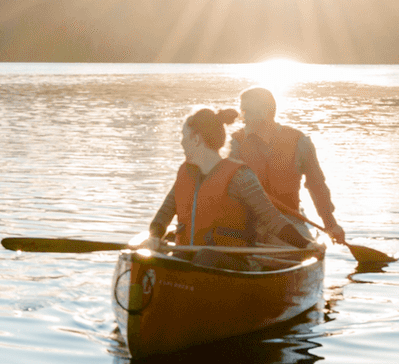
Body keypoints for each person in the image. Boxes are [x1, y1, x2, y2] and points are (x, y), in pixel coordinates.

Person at [144, 107, 310, 258]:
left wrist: (307, 244)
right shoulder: (186, 174)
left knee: (205, 257)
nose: (181, 142)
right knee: (175, 257)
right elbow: (162, 217)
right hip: (188, 258)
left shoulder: (240, 176)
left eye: (183, 136)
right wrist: (154, 237)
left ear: (196, 139)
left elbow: (273, 220)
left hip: (230, 262)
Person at [225, 86, 347, 245]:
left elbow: (316, 185)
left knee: (296, 245)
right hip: (247, 224)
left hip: (289, 221)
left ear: (264, 112)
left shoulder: (299, 141)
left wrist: (330, 224)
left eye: (246, 111)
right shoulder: (236, 143)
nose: (242, 117)